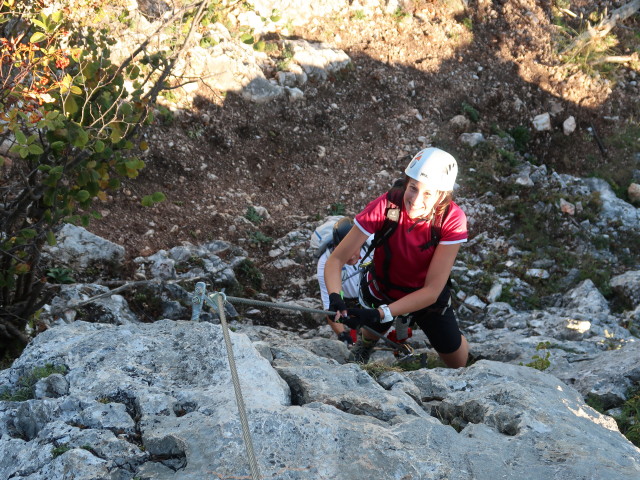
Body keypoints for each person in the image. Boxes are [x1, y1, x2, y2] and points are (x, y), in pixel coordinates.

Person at [324, 147, 469, 367]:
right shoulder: (386, 206)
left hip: (425, 296)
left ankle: (466, 351)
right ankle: (365, 344)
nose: (416, 199)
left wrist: (381, 313)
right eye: (413, 188)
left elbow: (431, 291)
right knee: (372, 330)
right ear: (406, 182)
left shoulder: (452, 220)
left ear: (442, 195)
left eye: (428, 193)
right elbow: (336, 260)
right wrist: (336, 296)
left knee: (456, 359)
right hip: (383, 288)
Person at [316, 217, 361, 345]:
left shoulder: (372, 248)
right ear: (336, 248)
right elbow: (329, 307)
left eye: (354, 250)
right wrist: (343, 335)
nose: (351, 256)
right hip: (344, 298)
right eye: (346, 251)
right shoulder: (325, 265)